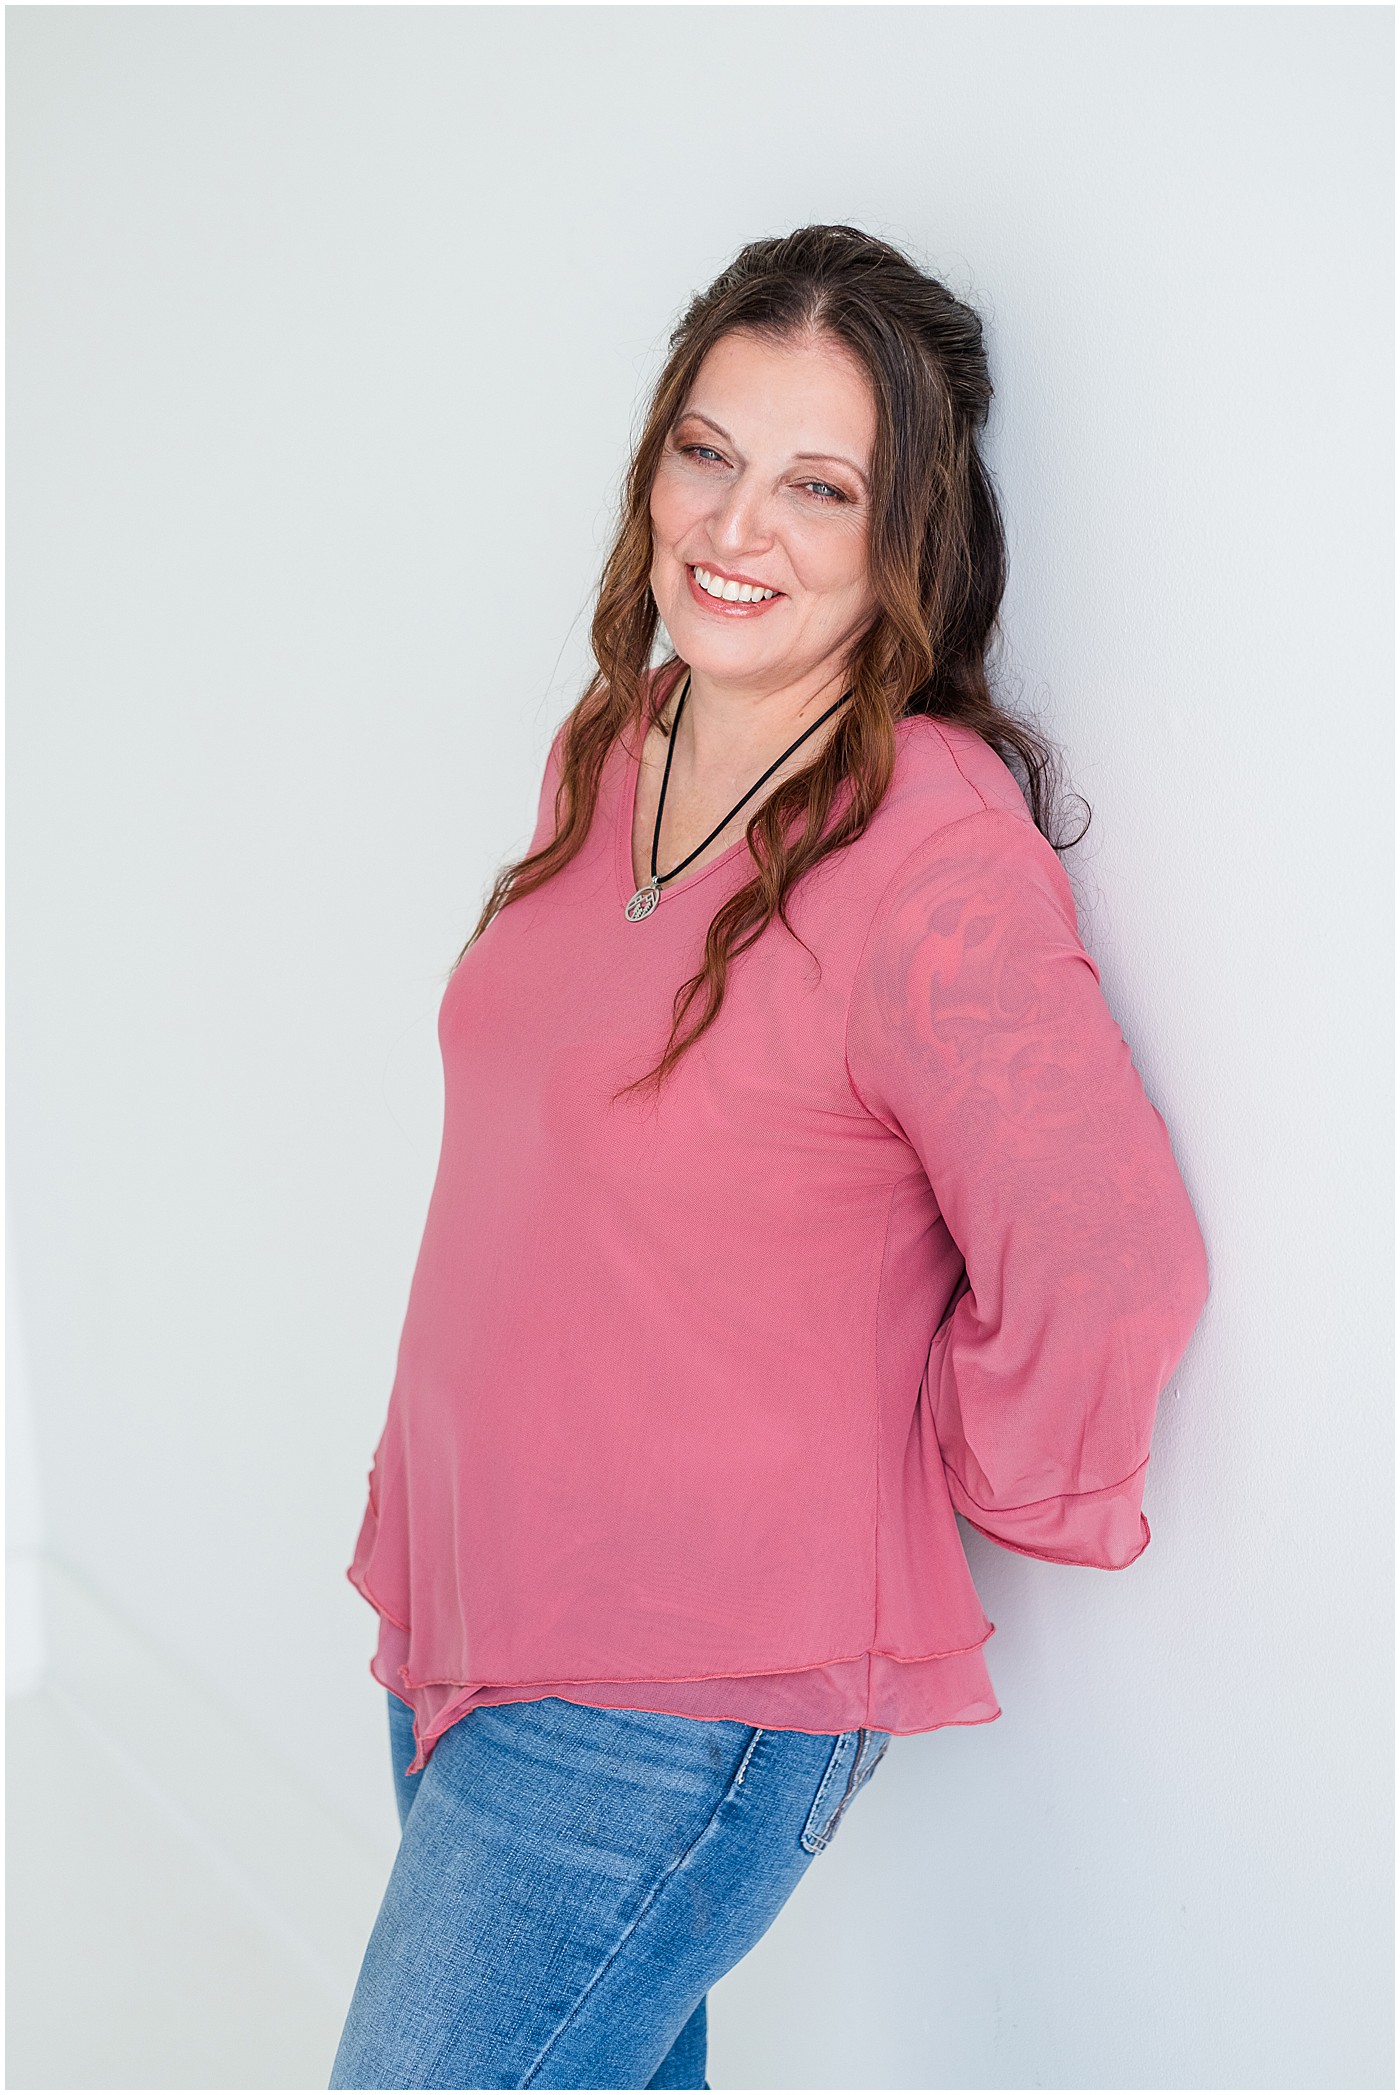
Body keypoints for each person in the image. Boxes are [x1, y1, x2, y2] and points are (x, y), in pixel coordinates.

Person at [328, 223, 1210, 2092]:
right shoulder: (622, 743)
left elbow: (1112, 1257)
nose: (739, 527)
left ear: (911, 543)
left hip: (669, 1693)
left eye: (823, 486)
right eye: (708, 453)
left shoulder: (933, 850)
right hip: (462, 1601)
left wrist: (949, 1463)